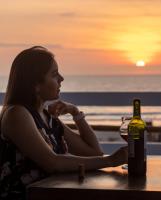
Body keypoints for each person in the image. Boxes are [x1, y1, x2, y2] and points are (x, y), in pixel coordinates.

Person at [0, 46, 128, 200]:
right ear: (36, 84)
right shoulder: (17, 114)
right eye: (54, 75)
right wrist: (110, 160)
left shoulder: (48, 118)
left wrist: (75, 113)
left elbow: (93, 152)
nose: (61, 79)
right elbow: (52, 162)